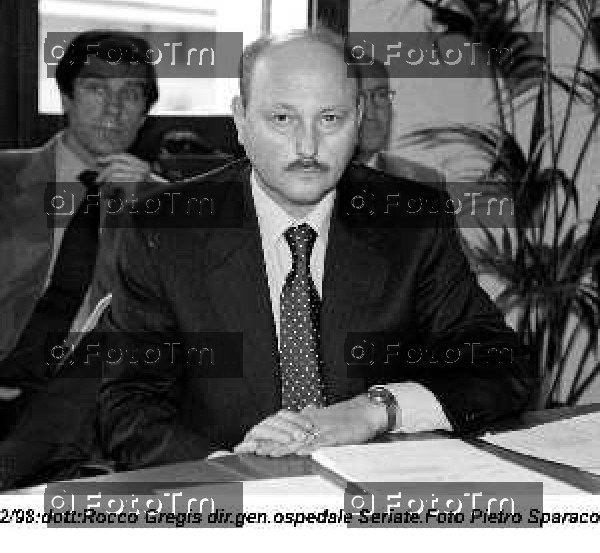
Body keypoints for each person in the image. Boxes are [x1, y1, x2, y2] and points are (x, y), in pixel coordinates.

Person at [98, 29, 532, 469]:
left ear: (358, 118)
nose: (307, 147)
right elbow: (129, 404)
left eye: (330, 118)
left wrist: (375, 410)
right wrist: (228, 474)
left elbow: (500, 365)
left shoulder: (410, 220)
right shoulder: (166, 228)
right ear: (241, 120)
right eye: (282, 118)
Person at [0, 29, 161, 488]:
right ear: (66, 97)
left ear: (145, 114)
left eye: (131, 94)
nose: (114, 109)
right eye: (96, 89)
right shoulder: (6, 177)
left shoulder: (169, 203)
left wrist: (155, 207)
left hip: (81, 398)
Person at [355, 57, 445, 186]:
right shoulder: (324, 181)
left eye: (381, 95)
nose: (370, 114)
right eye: (358, 98)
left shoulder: (425, 181)